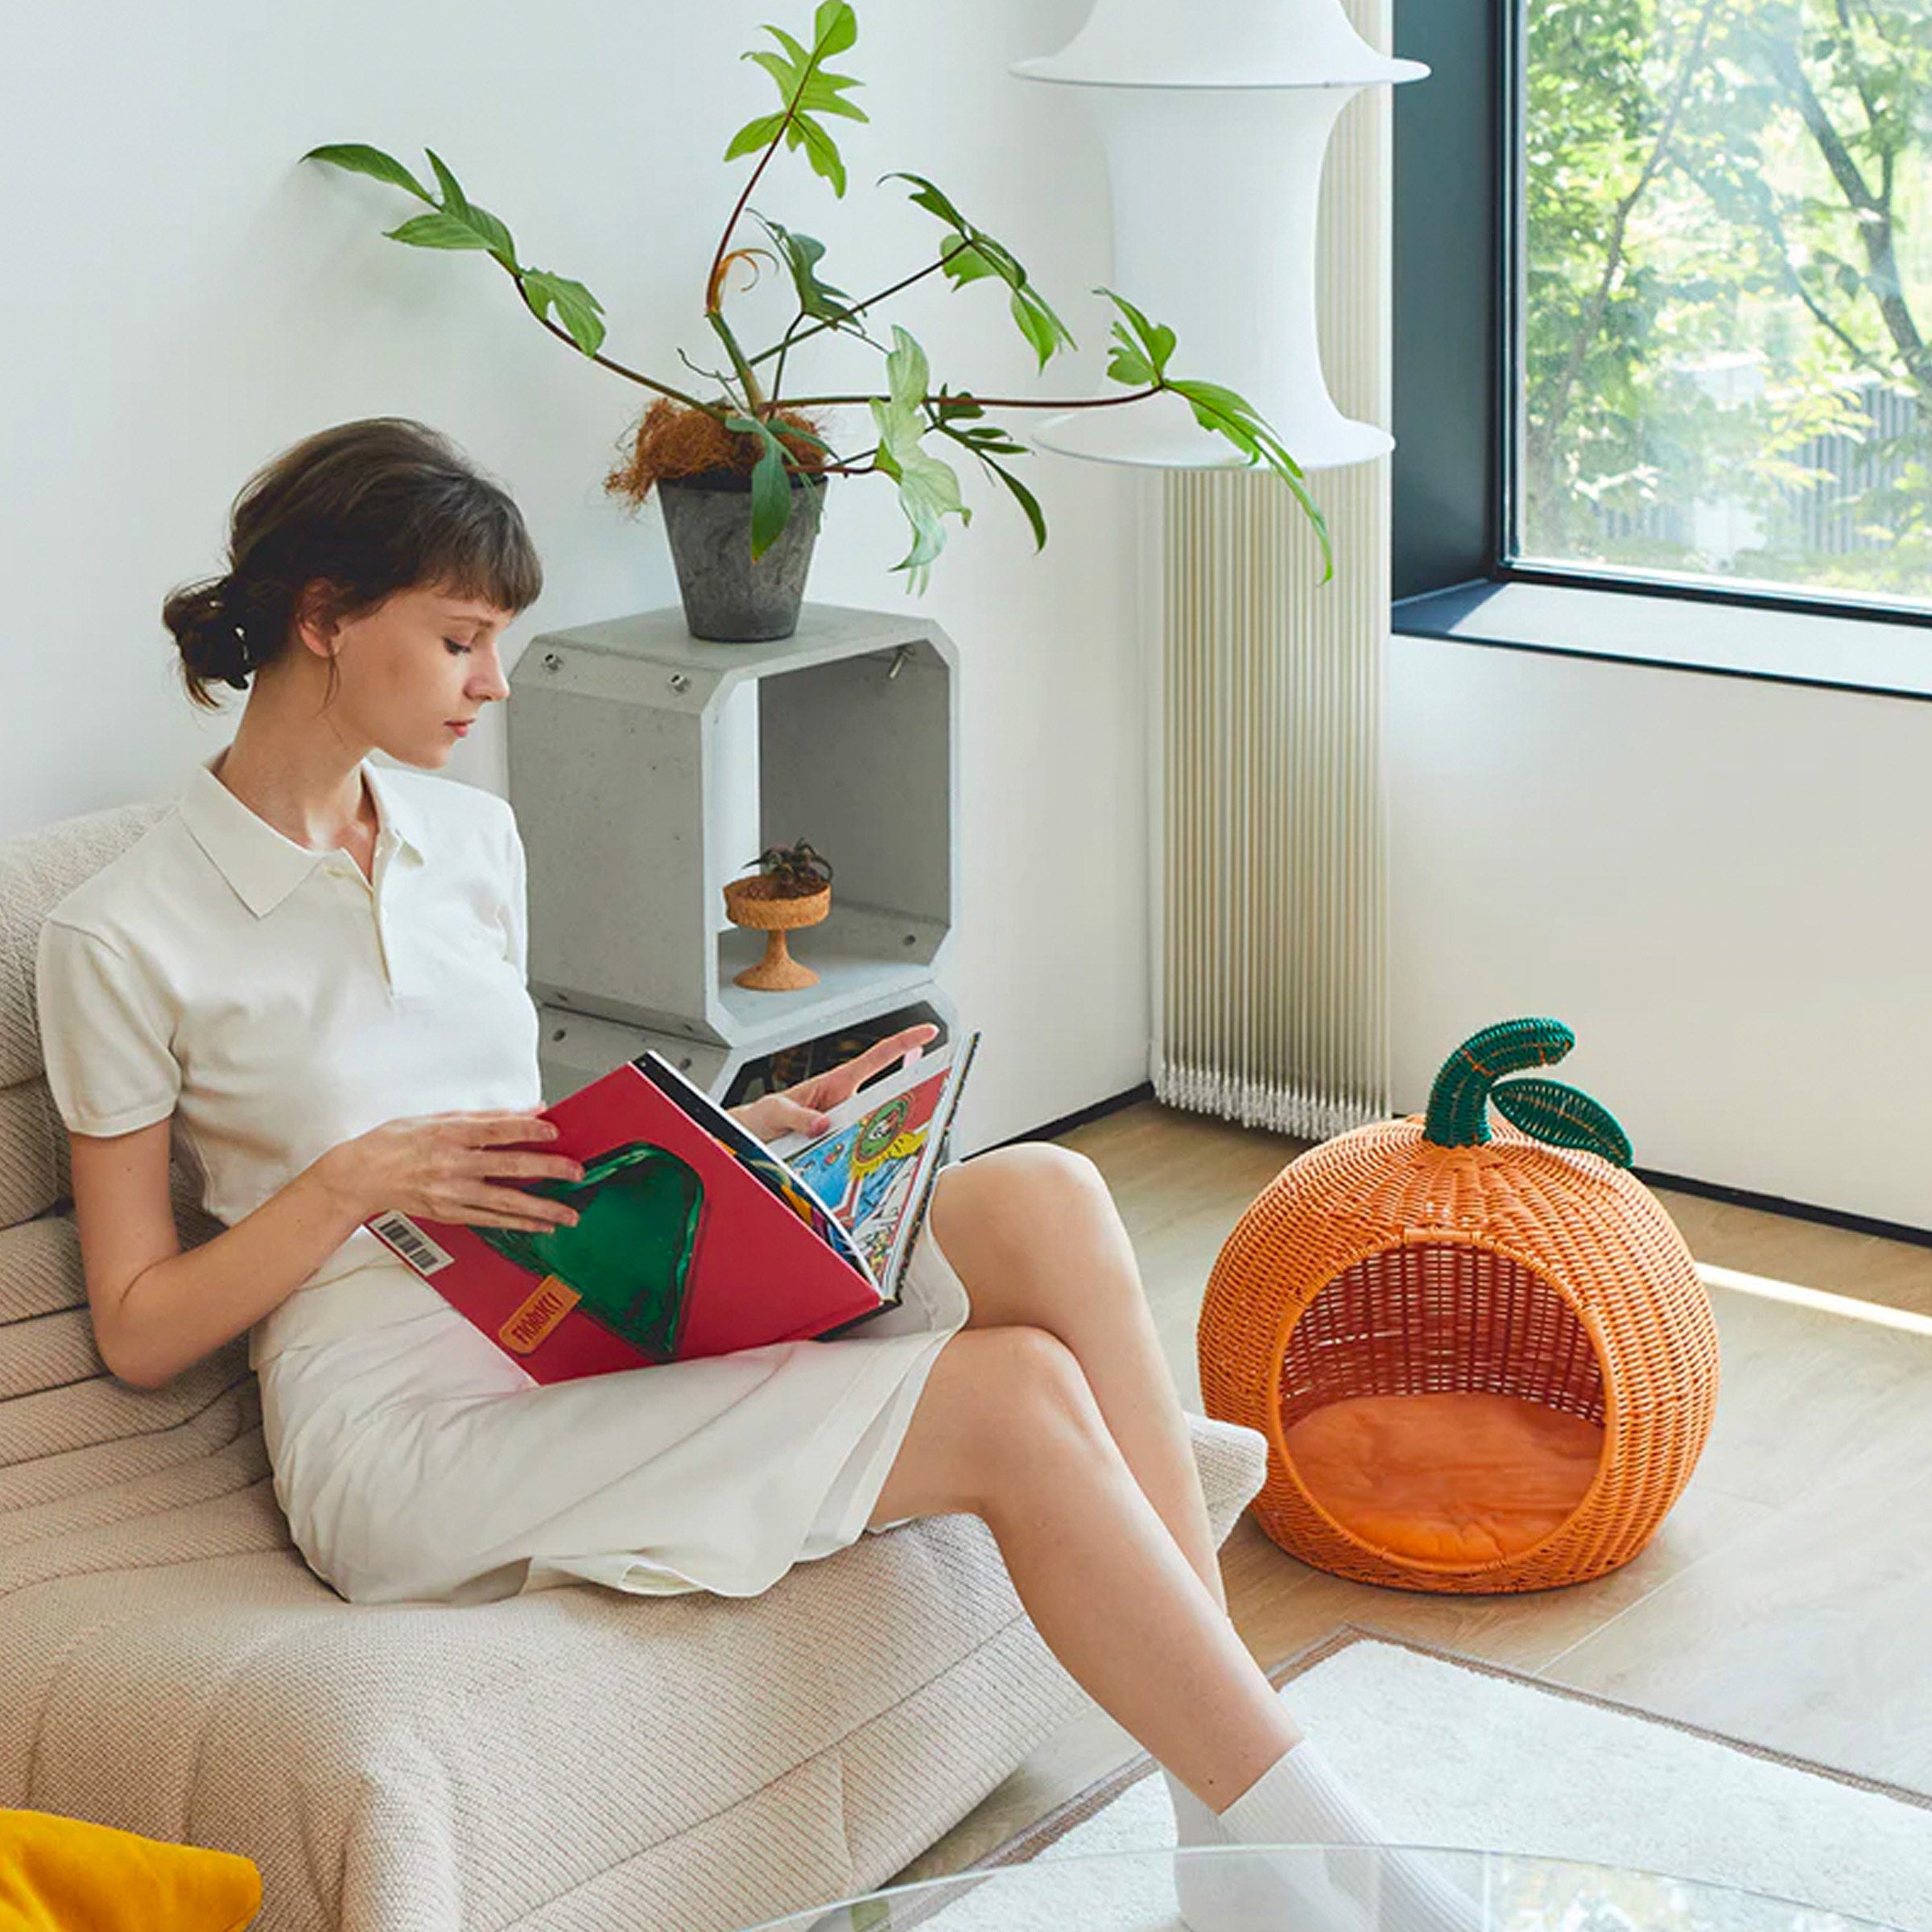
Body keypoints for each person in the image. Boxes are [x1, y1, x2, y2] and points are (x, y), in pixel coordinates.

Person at [33, 418, 1478, 1932]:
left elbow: (510, 1141)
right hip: (403, 1430)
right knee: (1016, 1397)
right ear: (326, 617)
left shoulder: (470, 840)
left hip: (571, 1306)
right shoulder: (123, 934)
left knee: (1045, 1195)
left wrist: (746, 1134)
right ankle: (1337, 1874)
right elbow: (137, 1328)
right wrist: (342, 1185)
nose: (494, 684)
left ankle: (1226, 1832)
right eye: (461, 641)